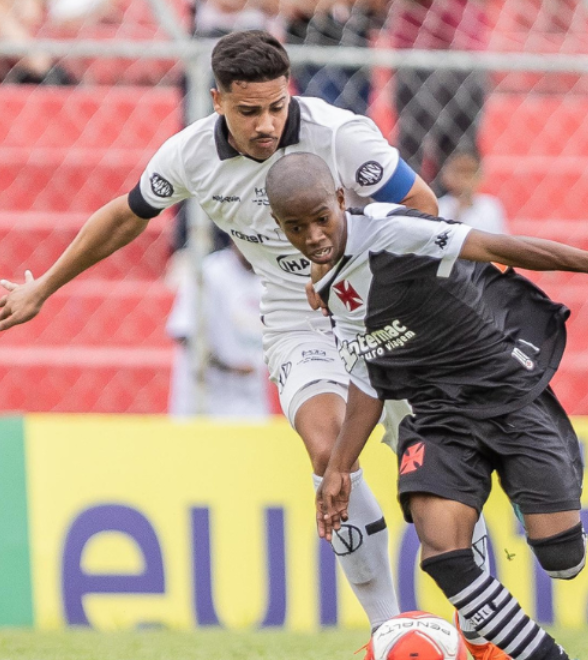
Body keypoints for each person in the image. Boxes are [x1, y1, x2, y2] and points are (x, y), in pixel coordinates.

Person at [0, 30, 437, 634]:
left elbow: (424, 206)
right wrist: (42, 287)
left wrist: (357, 266)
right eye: (248, 110)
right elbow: (127, 214)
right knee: (327, 449)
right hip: (295, 318)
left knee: (433, 464)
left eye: (277, 107)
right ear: (217, 101)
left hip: (379, 309)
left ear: (292, 94)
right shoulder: (189, 155)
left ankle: (485, 627)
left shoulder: (341, 136)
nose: (265, 124)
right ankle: (390, 631)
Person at [264, 153, 588, 660]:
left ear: (342, 202)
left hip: (504, 392)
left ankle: (536, 488)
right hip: (435, 415)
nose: (312, 236)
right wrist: (338, 470)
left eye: (320, 219)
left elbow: (492, 245)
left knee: (564, 560)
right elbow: (367, 380)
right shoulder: (329, 287)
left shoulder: (390, 229)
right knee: (443, 554)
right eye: (295, 227)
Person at [387, 0, 488, 186]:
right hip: (417, 51)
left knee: (461, 149)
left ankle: (455, 208)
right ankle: (407, 203)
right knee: (413, 146)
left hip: (465, 52)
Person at [166, 242, 272, 418]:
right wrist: (228, 367)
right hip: (205, 398)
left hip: (251, 399)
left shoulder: (272, 278)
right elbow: (184, 334)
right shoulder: (210, 272)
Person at [437, 149, 507, 234]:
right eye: (460, 171)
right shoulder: (440, 207)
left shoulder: (490, 205)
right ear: (446, 175)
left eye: (471, 172)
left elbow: (500, 235)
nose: (465, 178)